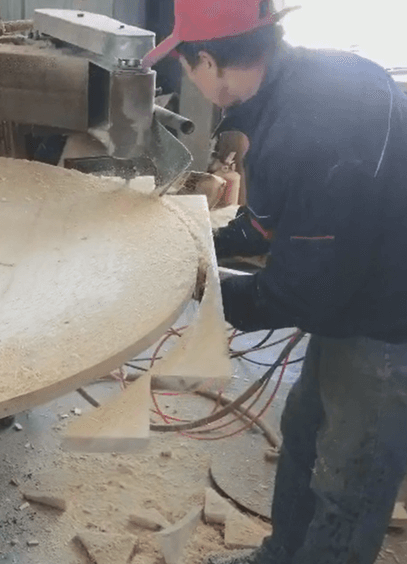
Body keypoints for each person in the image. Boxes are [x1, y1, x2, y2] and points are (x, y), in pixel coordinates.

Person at [143, 1, 407, 563]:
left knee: (348, 482)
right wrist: (198, 243)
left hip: (388, 319)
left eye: (185, 66)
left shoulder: (301, 132)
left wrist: (196, 288)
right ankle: (281, 553)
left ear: (207, 62)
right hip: (356, 278)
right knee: (304, 435)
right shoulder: (325, 74)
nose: (188, 76)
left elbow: (296, 296)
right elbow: (273, 219)